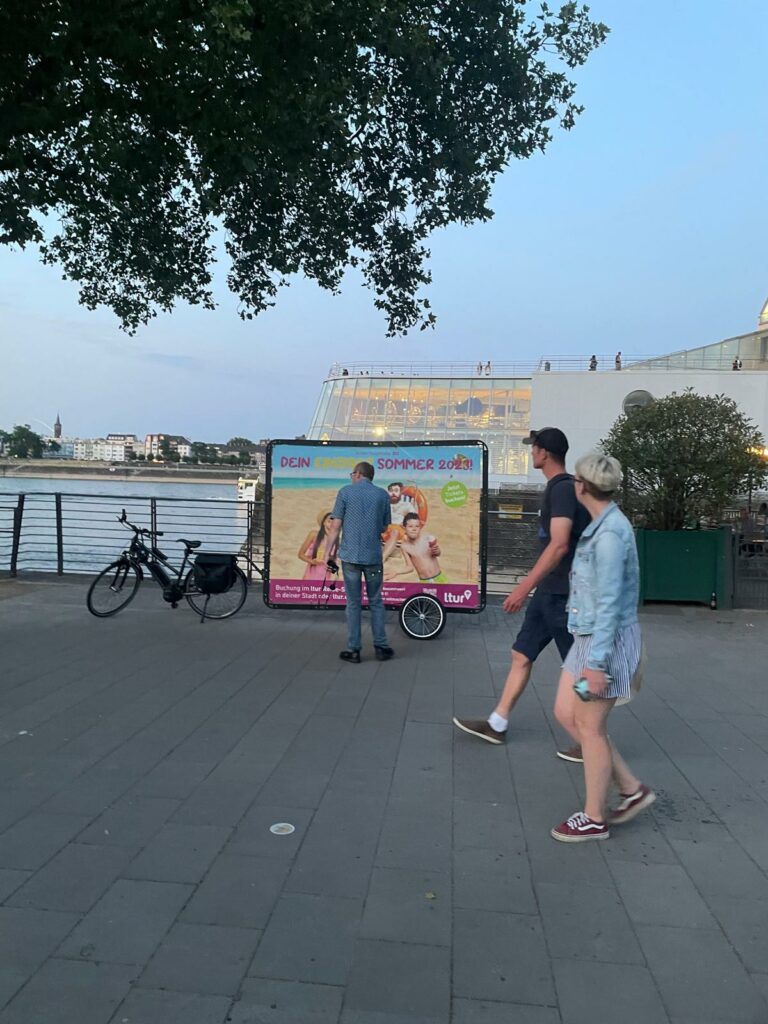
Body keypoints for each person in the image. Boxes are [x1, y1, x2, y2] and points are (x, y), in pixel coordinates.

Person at [453, 428, 589, 755]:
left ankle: (593, 740)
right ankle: (497, 723)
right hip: (548, 592)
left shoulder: (563, 490)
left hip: (564, 596)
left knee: (581, 672)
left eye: (534, 449)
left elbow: (559, 545)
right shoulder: (559, 488)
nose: (531, 454)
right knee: (521, 653)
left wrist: (522, 587)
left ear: (544, 453)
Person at [550, 452, 655, 842]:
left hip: (602, 647)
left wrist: (595, 665)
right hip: (586, 640)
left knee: (590, 727)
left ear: (581, 486)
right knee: (566, 713)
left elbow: (611, 605)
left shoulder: (610, 536)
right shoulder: (603, 524)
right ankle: (630, 788)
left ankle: (594, 817)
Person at [325, 462, 394, 663]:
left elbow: (335, 526)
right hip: (373, 558)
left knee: (353, 603)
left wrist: (329, 553)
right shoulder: (382, 495)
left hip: (350, 558)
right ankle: (381, 647)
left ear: (358, 474)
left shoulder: (345, 492)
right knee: (376, 601)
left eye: (352, 474)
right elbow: (383, 527)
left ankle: (354, 649)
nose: (351, 477)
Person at [385, 512, 447, 583]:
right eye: (410, 526)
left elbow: (437, 553)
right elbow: (410, 567)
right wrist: (396, 572)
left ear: (420, 527)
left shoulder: (427, 539)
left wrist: (437, 551)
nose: (414, 529)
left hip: (439, 578)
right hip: (424, 581)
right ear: (404, 528)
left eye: (416, 526)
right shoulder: (405, 547)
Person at [298, 511, 333, 581]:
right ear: (324, 522)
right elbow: (300, 554)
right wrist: (312, 562)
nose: (332, 524)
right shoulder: (314, 534)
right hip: (311, 575)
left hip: (326, 577)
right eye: (329, 521)